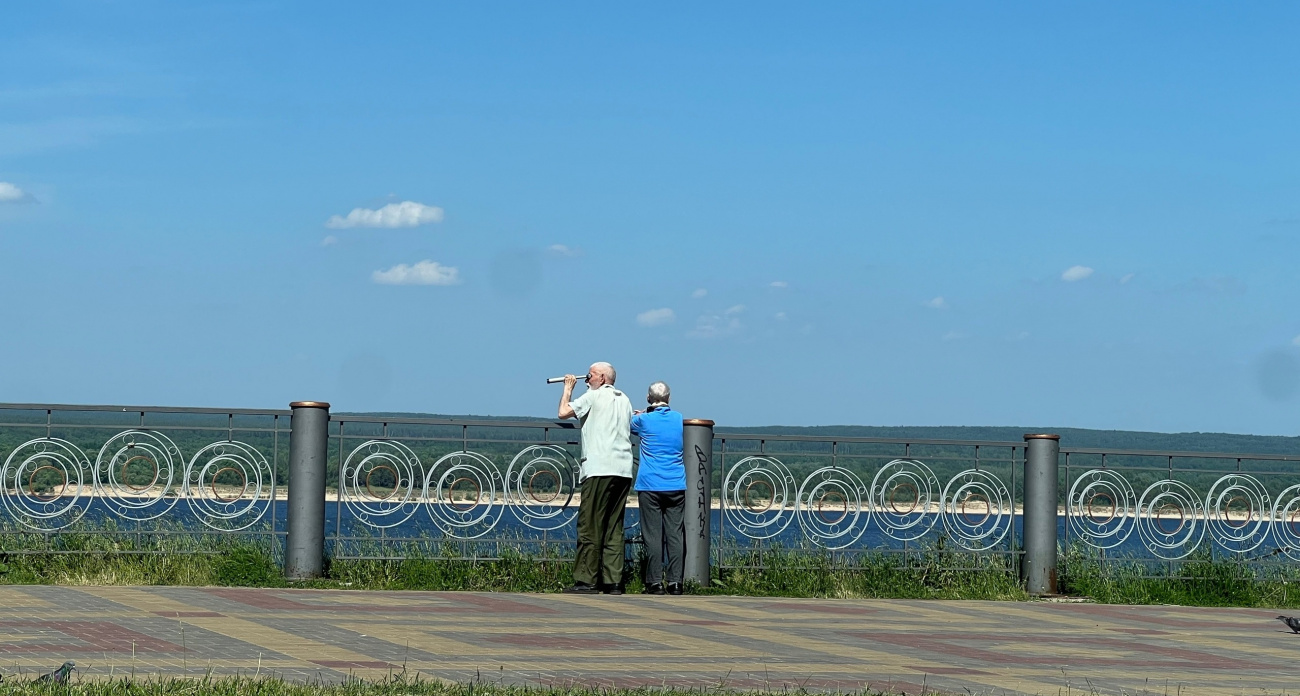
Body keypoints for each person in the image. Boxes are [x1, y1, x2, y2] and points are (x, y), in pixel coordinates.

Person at [558, 362, 633, 594]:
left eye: (589, 376)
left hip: (599, 467)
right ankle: (614, 580)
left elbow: (564, 412)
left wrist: (568, 389)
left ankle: (586, 579)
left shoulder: (593, 396)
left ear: (601, 378)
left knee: (590, 523)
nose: (586, 380)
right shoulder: (625, 399)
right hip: (623, 469)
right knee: (613, 525)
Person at [631, 381, 686, 595]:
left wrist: (644, 412)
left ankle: (654, 583)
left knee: (653, 535)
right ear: (669, 398)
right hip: (675, 483)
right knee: (675, 534)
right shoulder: (678, 418)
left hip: (650, 484)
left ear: (648, 398)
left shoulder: (643, 420)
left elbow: (630, 424)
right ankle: (675, 582)